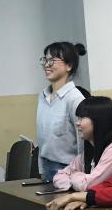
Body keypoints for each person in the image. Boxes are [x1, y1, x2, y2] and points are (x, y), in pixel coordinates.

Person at [36, 42, 86, 183]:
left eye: (52, 60)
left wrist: (79, 174)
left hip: (68, 168)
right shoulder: (43, 96)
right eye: (45, 60)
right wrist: (41, 168)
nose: (46, 65)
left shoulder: (75, 98)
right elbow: (42, 136)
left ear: (68, 66)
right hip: (46, 164)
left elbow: (83, 142)